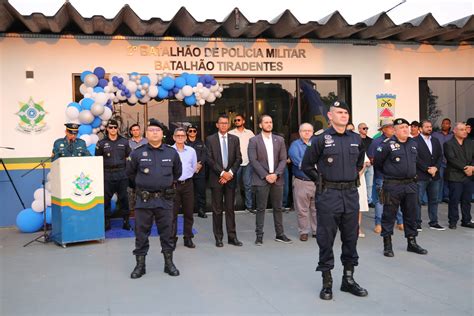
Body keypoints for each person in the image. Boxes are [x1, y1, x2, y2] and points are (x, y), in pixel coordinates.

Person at [302, 101, 368, 300]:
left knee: (351, 237)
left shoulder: (357, 139)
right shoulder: (321, 139)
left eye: (346, 112)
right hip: (328, 195)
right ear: (330, 116)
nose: (344, 115)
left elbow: (358, 163)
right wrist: (321, 181)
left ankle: (348, 279)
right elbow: (306, 165)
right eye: (339, 112)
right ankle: (327, 281)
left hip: (350, 194)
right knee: (326, 238)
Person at [127, 119, 182, 279]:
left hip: (165, 200)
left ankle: (169, 264)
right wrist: (142, 186)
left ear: (162, 133)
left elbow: (177, 173)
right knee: (141, 233)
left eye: (157, 130)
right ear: (146, 134)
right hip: (144, 200)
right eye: (151, 130)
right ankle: (140, 265)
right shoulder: (137, 153)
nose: (154, 133)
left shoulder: (171, 153)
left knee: (167, 232)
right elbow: (130, 175)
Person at [374, 118, 428, 258]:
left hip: (410, 184)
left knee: (411, 214)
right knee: (389, 215)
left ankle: (412, 242)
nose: (405, 129)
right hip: (392, 184)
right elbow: (378, 164)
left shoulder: (413, 143)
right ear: (395, 130)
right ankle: (387, 245)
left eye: (406, 126)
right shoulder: (387, 145)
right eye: (402, 127)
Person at [248, 115, 292, 245]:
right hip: (262, 179)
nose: (269, 124)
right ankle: (259, 236)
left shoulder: (280, 140)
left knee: (278, 208)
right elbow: (253, 160)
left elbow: (283, 159)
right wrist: (266, 175)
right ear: (260, 125)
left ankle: (280, 234)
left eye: (271, 122)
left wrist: (276, 174)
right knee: (261, 208)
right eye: (266, 122)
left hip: (277, 179)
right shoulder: (254, 141)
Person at [206, 115, 243, 247]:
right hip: (217, 179)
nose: (223, 125)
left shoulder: (235, 139)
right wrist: (222, 173)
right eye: (221, 123)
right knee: (217, 210)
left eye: (226, 123)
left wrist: (230, 173)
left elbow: (239, 159)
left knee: (230, 209)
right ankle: (219, 237)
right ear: (217, 125)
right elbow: (209, 160)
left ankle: (232, 237)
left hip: (230, 179)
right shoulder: (210, 139)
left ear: (228, 125)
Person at [367, 119, 404, 233]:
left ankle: (400, 222)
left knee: (396, 200)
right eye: (390, 127)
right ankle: (378, 223)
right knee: (380, 200)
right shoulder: (376, 142)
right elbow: (372, 158)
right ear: (383, 129)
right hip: (381, 176)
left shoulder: (399, 140)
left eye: (393, 127)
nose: (393, 129)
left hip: (397, 177)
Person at [95, 119, 132, 231]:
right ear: (107, 129)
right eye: (110, 127)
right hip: (107, 174)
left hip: (121, 173)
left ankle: (126, 221)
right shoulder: (101, 143)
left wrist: (128, 173)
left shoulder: (124, 141)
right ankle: (106, 222)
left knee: (124, 199)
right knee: (106, 199)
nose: (113, 129)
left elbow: (129, 158)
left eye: (115, 127)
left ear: (117, 128)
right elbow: (97, 160)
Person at [413, 120, 444, 231]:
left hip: (435, 175)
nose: (429, 128)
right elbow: (415, 158)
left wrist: (436, 167)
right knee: (418, 200)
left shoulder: (435, 140)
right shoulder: (414, 141)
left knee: (434, 200)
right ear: (420, 129)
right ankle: (417, 223)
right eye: (426, 127)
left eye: (430, 126)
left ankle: (434, 222)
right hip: (421, 175)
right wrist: (427, 169)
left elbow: (440, 156)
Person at [288, 123, 316, 242]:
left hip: (317, 182)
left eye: (309, 130)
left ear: (313, 132)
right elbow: (300, 164)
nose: (307, 133)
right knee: (302, 209)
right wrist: (314, 166)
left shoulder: (317, 144)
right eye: (304, 131)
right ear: (299, 133)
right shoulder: (295, 145)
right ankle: (304, 231)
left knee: (317, 208)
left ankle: (317, 231)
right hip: (302, 181)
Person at [443, 122, 474, 229]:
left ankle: (466, 220)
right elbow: (451, 159)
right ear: (455, 131)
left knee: (467, 200)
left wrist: (472, 167)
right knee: (454, 200)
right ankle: (453, 221)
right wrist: (465, 168)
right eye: (461, 129)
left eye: (465, 129)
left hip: (469, 176)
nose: (464, 131)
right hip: (455, 176)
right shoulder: (448, 144)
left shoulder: (470, 143)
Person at [171, 128, 198, 248]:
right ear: (174, 137)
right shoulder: (170, 151)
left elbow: (193, 167)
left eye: (182, 135)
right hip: (173, 185)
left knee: (188, 213)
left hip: (188, 185)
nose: (180, 137)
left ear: (186, 138)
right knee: (173, 214)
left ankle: (188, 238)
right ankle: (172, 239)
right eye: (178, 135)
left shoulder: (191, 151)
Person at [228, 113, 256, 213]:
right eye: (235, 120)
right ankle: (231, 206)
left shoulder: (249, 133)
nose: (236, 122)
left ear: (243, 121)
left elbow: (255, 146)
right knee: (233, 185)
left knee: (248, 185)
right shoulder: (231, 133)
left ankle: (249, 206)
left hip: (248, 162)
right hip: (235, 163)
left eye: (238, 120)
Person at [185, 124, 208, 218]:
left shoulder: (201, 142)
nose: (192, 132)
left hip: (200, 171)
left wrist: (199, 164)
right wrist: (192, 166)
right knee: (189, 193)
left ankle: (201, 210)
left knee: (201, 192)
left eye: (194, 131)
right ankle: (189, 211)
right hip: (189, 172)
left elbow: (205, 154)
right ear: (187, 132)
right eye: (190, 131)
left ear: (196, 132)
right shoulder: (184, 143)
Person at [127, 124, 147, 215]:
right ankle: (132, 214)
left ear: (140, 130)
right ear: (131, 132)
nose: (135, 131)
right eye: (133, 130)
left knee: (144, 193)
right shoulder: (127, 143)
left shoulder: (147, 142)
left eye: (137, 130)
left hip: (144, 172)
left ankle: (145, 212)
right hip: (131, 172)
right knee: (131, 194)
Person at [432, 118, 453, 203]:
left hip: (450, 161)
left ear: (450, 125)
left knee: (448, 179)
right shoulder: (435, 134)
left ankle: (446, 196)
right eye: (443, 123)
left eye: (447, 123)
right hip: (439, 161)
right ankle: (438, 198)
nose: (445, 125)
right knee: (439, 179)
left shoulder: (452, 135)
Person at [358, 123, 373, 207]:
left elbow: (373, 152)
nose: (366, 130)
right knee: (361, 185)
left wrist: (370, 161)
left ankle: (369, 200)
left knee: (369, 184)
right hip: (361, 165)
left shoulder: (371, 140)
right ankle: (361, 200)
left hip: (370, 165)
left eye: (367, 128)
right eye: (364, 128)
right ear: (359, 129)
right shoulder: (356, 140)